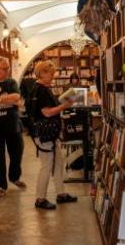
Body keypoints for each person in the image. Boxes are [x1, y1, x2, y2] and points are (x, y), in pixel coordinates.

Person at [32, 60, 78, 209]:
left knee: (58, 163)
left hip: (51, 133)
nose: (52, 77)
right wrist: (64, 106)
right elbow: (46, 112)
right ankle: (40, 198)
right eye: (50, 74)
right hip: (46, 134)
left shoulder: (41, 88)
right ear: (42, 73)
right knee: (46, 165)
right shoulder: (41, 90)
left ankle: (61, 193)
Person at [0, 56, 26, 197]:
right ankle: (1, 185)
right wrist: (10, 100)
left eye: (8, 68)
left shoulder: (11, 82)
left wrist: (0, 99)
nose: (7, 71)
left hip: (12, 125)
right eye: (4, 68)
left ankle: (14, 177)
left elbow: (17, 98)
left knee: (17, 152)